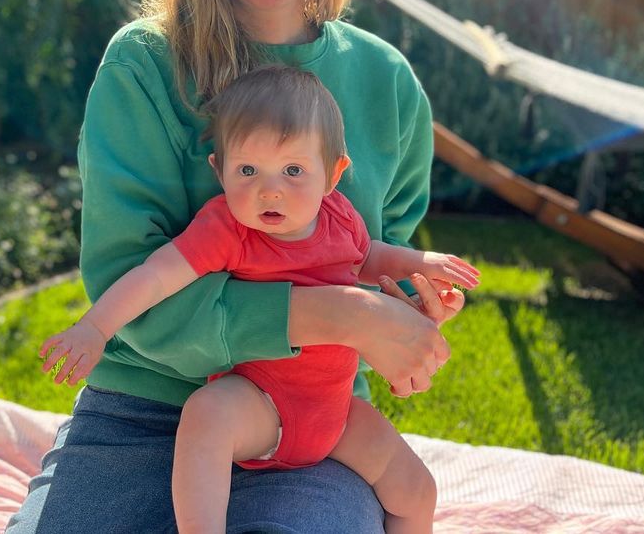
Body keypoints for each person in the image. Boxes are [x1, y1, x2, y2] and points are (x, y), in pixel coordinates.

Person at [5, 0, 464, 534]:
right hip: (140, 409)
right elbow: (129, 285)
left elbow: (376, 262)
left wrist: (411, 311)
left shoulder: (386, 82)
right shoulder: (144, 65)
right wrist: (332, 313)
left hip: (314, 420)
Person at [39, 65, 478, 534]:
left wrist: (420, 263)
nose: (270, 190)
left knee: (417, 492)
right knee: (207, 414)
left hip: (335, 412)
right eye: (247, 170)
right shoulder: (227, 230)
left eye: (293, 170)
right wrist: (95, 327)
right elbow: (154, 277)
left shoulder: (339, 216)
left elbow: (367, 256)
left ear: (333, 174)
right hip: (261, 405)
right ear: (219, 170)